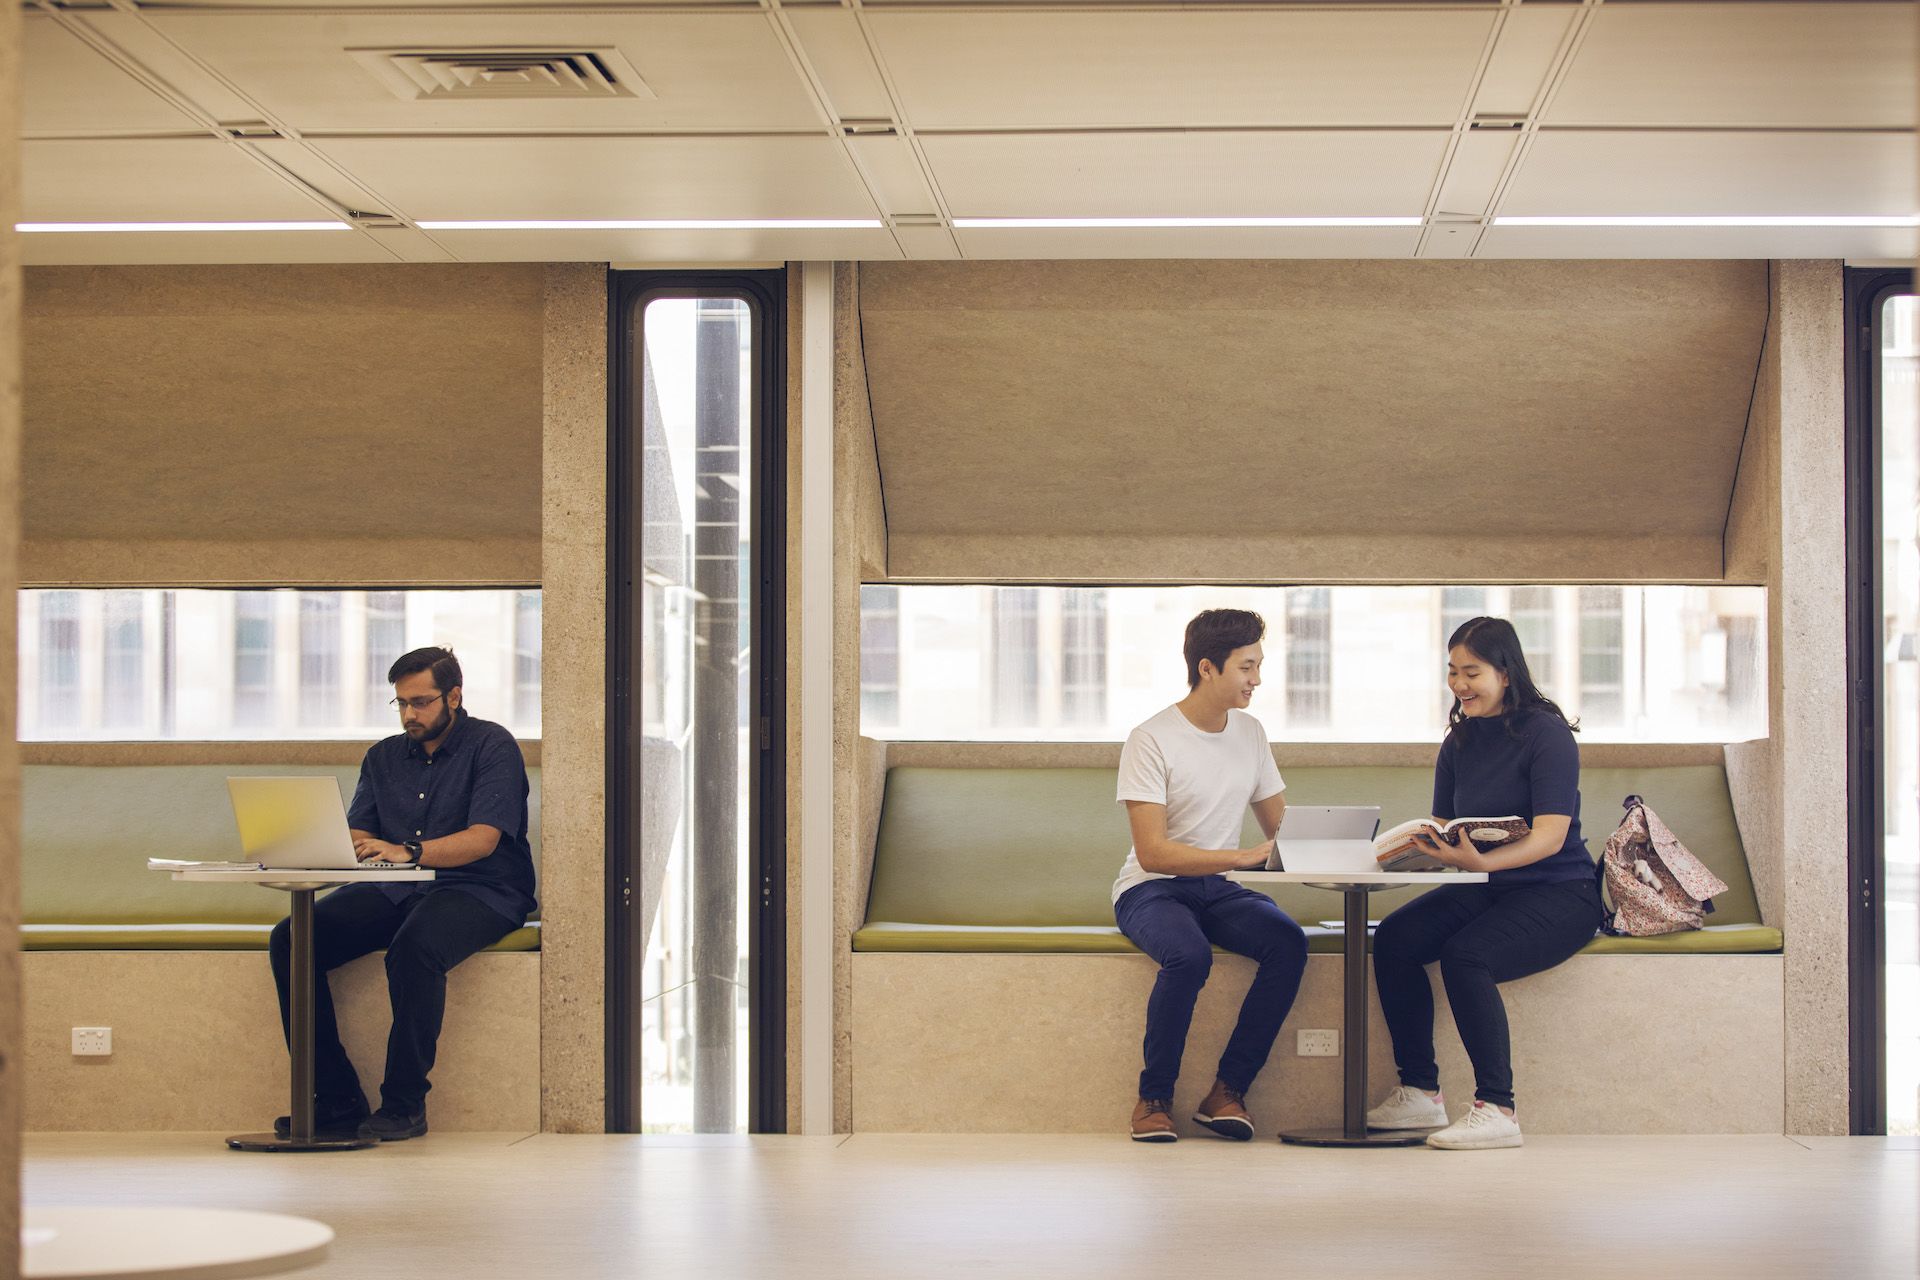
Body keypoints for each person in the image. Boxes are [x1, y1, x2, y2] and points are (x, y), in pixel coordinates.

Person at [267, 646, 538, 1142]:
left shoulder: (493, 746)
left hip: (483, 888)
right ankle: (334, 1101)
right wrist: (332, 840)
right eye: (401, 703)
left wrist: (407, 851)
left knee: (414, 948)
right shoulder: (383, 756)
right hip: (396, 887)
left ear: (454, 696)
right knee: (293, 938)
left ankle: (404, 1106)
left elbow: (484, 839)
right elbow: (356, 831)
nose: (410, 714)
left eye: (421, 702)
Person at [1365, 616, 1603, 1150]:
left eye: (1471, 672)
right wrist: (1425, 852)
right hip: (1488, 888)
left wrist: (1481, 866)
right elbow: (1448, 826)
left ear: (1506, 672)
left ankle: (1498, 1108)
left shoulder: (1547, 734)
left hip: (1561, 893)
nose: (1459, 684)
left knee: (1466, 955)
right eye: (1452, 672)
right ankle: (1420, 1093)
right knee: (1395, 939)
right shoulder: (1460, 742)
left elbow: (1549, 835)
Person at [1113, 608, 1309, 1143]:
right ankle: (1153, 1099)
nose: (1257, 679)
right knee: (1188, 954)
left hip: (1217, 889)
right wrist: (1243, 857)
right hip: (1149, 891)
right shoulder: (1150, 738)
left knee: (1288, 943)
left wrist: (1349, 849)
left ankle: (1227, 1092)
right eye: (1247, 667)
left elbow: (1281, 826)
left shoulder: (1250, 733)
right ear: (1207, 668)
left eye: (1259, 665)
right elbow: (1153, 854)